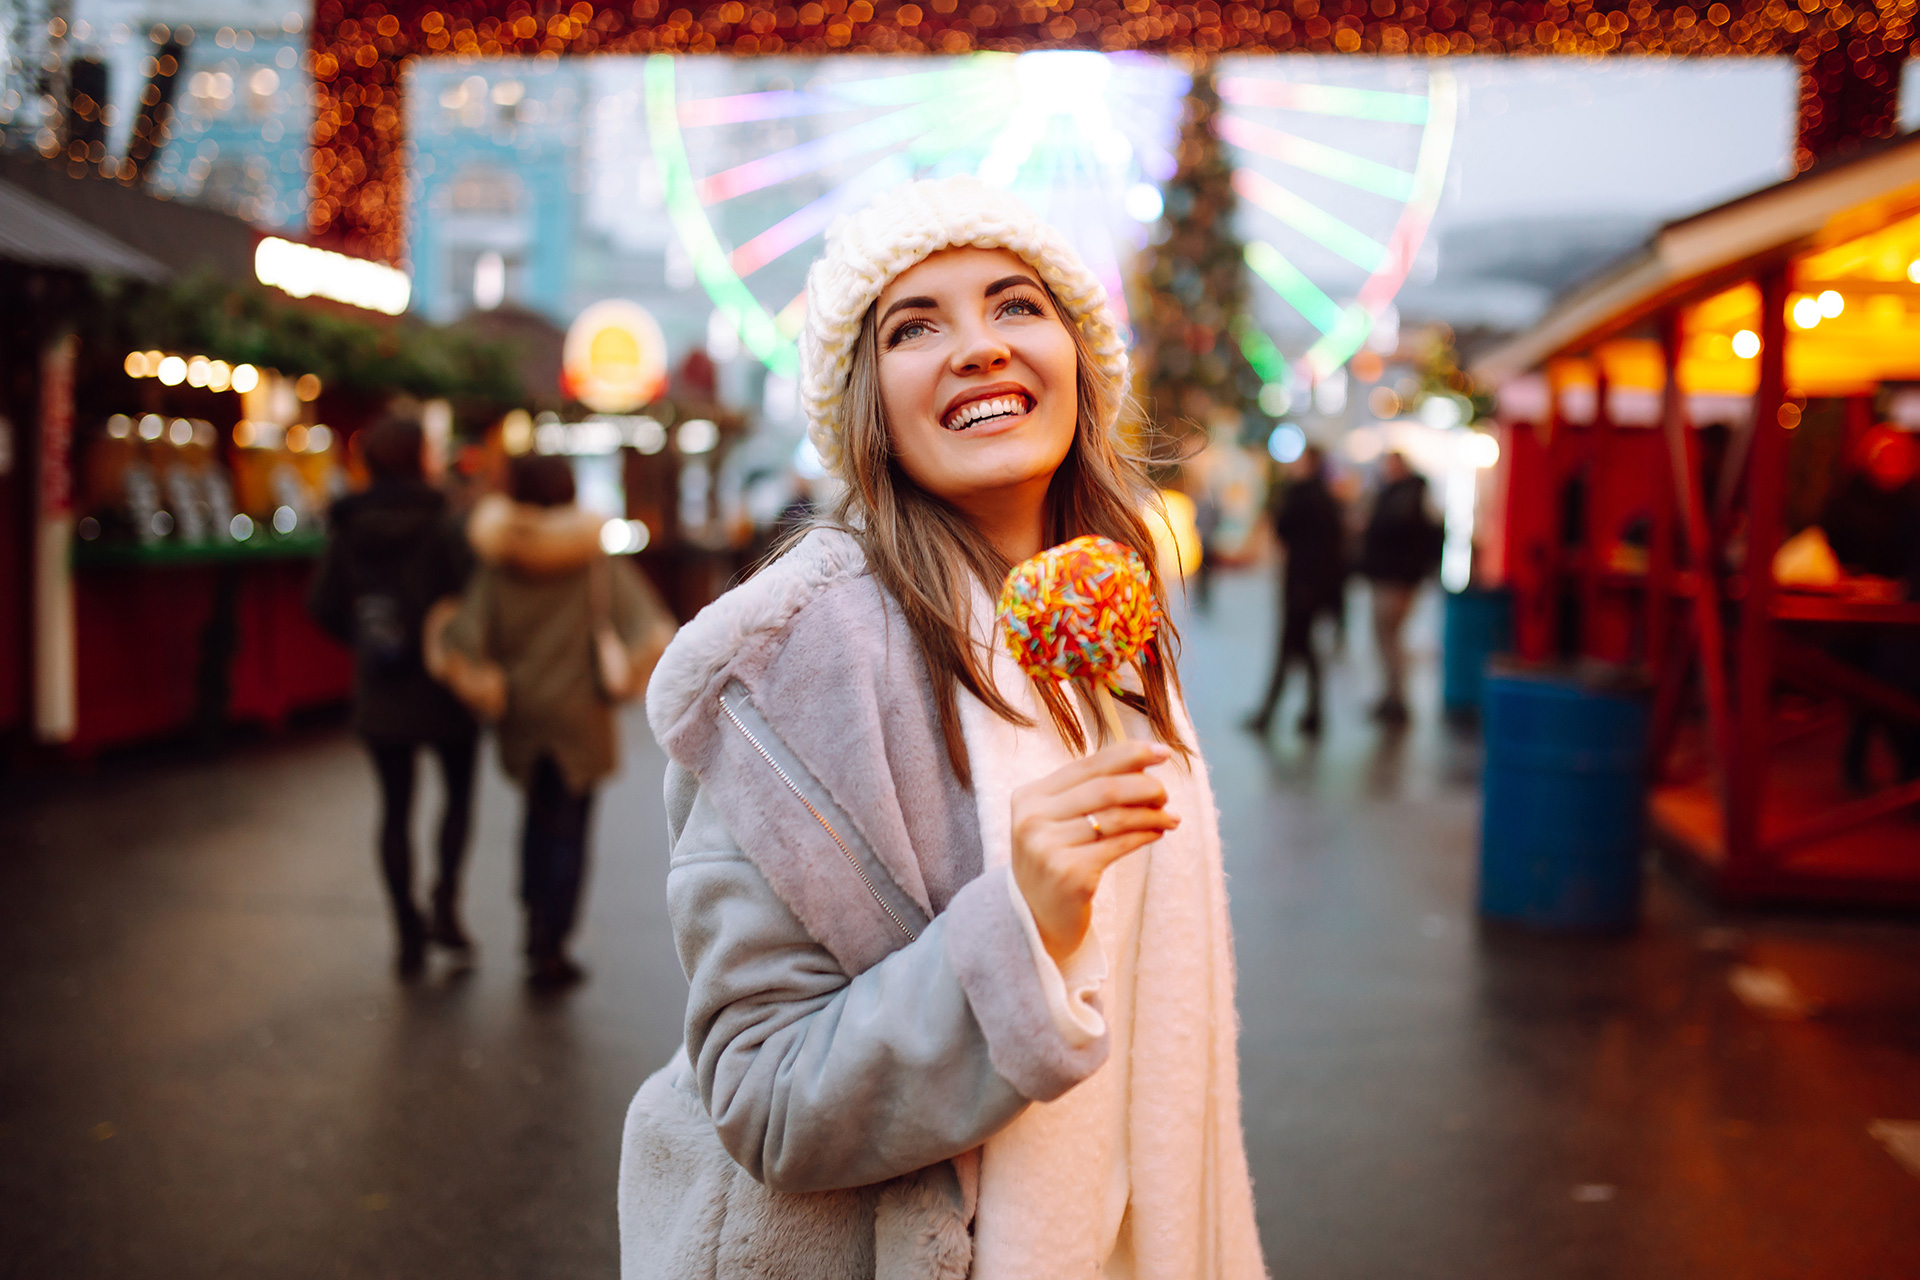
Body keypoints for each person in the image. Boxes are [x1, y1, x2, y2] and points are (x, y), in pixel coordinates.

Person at [616, 177, 1264, 1279]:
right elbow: (762, 1095)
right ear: (868, 399)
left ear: (1079, 359)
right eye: (916, 325)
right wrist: (1023, 931)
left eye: (1018, 306)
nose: (978, 346)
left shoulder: (1115, 624)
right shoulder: (799, 656)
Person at [439, 456, 674, 986]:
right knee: (571, 826)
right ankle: (554, 944)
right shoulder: (592, 560)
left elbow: (465, 639)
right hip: (580, 713)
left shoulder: (500, 561)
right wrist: (628, 676)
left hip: (523, 711)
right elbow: (648, 626)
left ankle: (532, 922)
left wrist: (487, 683)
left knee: (535, 817)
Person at [308, 413, 479, 978]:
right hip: (445, 684)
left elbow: (324, 604)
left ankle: (406, 929)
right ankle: (445, 905)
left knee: (394, 809)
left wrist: (367, 638)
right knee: (456, 797)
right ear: (419, 457)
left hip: (381, 686)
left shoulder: (349, 524)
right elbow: (473, 599)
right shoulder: (445, 522)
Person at [1245, 443, 1345, 738]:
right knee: (1302, 650)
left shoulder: (1305, 496)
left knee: (1291, 648)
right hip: (1309, 586)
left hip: (1302, 586)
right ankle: (1309, 713)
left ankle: (1271, 714)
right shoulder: (1324, 497)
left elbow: (1283, 528)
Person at [1358, 450, 1441, 727]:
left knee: (1390, 638)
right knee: (1387, 638)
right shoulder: (1405, 496)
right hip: (1393, 576)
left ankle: (1396, 698)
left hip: (1396, 579)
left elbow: (1394, 533)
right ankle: (1392, 694)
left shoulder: (1406, 498)